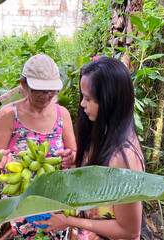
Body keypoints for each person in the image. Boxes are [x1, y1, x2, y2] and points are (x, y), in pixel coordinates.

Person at [33, 56, 145, 240]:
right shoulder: (102, 132)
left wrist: (68, 221)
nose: (82, 104)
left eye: (88, 98)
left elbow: (130, 230)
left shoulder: (123, 158)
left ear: (109, 101)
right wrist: (75, 163)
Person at [0, 53, 77, 239]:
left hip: (56, 199)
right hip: (21, 202)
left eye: (52, 90)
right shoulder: (8, 115)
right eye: (40, 90)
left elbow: (75, 152)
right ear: (23, 85)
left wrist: (72, 156)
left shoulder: (63, 115)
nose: (47, 95)